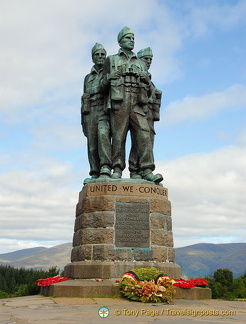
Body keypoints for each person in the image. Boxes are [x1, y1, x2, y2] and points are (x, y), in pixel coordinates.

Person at [101, 27, 163, 183]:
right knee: (118, 135)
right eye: (128, 38)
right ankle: (116, 168)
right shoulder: (112, 59)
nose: (132, 40)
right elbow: (102, 85)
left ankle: (146, 169)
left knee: (143, 134)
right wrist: (109, 77)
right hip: (119, 100)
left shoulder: (140, 63)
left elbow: (150, 90)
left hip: (137, 102)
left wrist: (146, 79)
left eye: (133, 38)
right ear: (120, 41)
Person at [128, 47, 162, 179]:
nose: (148, 62)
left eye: (150, 59)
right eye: (145, 59)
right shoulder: (136, 76)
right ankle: (135, 169)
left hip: (149, 116)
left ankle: (139, 171)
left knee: (145, 143)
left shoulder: (150, 81)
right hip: (136, 111)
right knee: (141, 139)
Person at [81, 43, 111, 183]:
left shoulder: (109, 72)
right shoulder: (87, 78)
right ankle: (94, 172)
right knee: (92, 143)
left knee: (103, 135)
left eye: (102, 55)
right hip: (90, 111)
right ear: (92, 58)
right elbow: (84, 98)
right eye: (97, 55)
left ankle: (105, 167)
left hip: (103, 109)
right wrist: (83, 120)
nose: (100, 57)